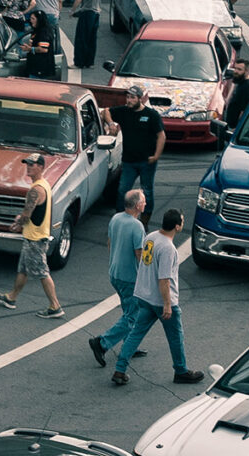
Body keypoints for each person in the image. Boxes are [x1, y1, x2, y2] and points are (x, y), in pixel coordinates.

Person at [108, 209, 203, 385]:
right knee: (175, 337)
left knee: (136, 333)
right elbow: (164, 279)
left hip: (144, 296)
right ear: (177, 226)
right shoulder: (168, 248)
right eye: (182, 221)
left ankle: (120, 369)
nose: (183, 223)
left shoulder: (151, 237)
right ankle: (181, 370)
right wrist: (167, 305)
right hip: (160, 301)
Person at [0, 154, 63, 319]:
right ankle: (11, 298)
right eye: (27, 164)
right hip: (35, 236)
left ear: (40, 167)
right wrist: (22, 219)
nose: (29, 167)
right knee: (23, 269)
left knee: (42, 272)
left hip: (35, 239)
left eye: (32, 164)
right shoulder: (44, 185)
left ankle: (55, 306)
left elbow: (27, 214)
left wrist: (18, 223)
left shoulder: (35, 190)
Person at [87, 188, 148, 367]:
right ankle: (102, 343)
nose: (145, 203)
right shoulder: (137, 226)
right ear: (137, 205)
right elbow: (140, 254)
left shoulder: (116, 218)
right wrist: (147, 277)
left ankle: (129, 345)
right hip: (130, 278)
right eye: (143, 201)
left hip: (115, 274)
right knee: (132, 316)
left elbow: (110, 243)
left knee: (128, 311)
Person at [111, 85, 164, 206]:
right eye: (128, 97)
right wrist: (110, 124)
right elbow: (106, 112)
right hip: (129, 161)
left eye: (132, 98)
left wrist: (156, 156)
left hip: (147, 161)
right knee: (122, 191)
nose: (129, 100)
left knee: (147, 193)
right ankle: (121, 220)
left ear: (140, 99)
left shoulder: (152, 115)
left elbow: (162, 136)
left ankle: (144, 223)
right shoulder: (123, 111)